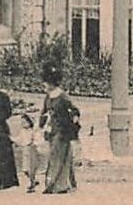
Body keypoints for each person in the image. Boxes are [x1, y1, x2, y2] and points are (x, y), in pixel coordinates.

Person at [41, 64, 80, 194]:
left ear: (53, 83)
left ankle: (57, 185)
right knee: (61, 155)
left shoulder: (63, 96)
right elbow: (44, 111)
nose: (44, 85)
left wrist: (74, 119)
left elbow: (74, 110)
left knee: (57, 155)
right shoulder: (48, 96)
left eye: (46, 83)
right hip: (51, 130)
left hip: (63, 130)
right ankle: (67, 183)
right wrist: (41, 125)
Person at [16, 112, 42, 192]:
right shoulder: (22, 131)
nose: (23, 124)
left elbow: (38, 139)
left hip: (32, 150)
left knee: (31, 169)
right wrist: (13, 140)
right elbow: (19, 139)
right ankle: (34, 181)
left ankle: (32, 185)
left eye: (25, 122)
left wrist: (34, 143)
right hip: (25, 151)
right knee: (25, 169)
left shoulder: (32, 131)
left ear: (29, 122)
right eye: (22, 122)